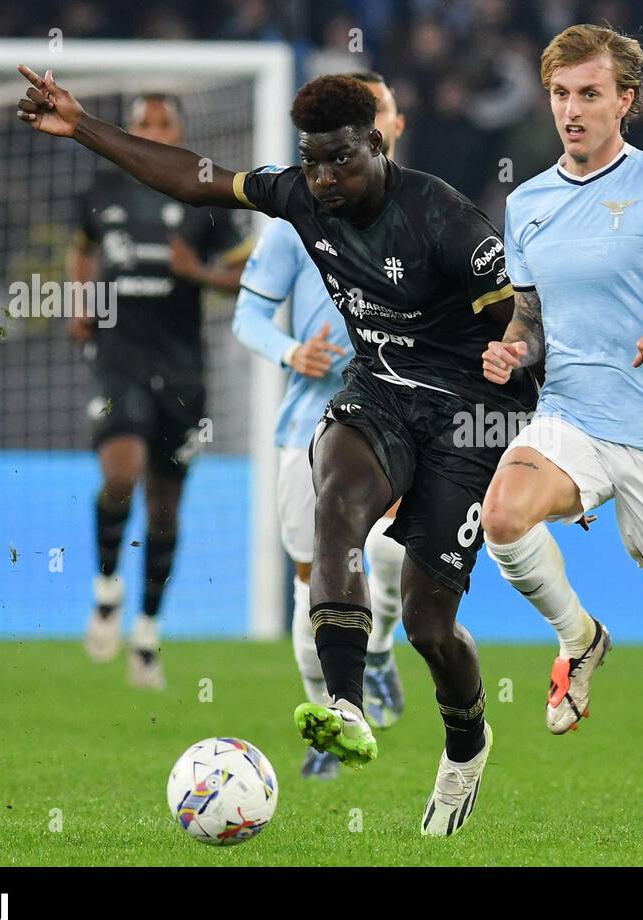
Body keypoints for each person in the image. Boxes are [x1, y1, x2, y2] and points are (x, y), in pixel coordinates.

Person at [16, 67, 535, 835]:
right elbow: (197, 181)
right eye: (313, 160)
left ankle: (467, 743)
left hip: (468, 417)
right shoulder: (297, 193)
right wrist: (84, 124)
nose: (324, 178)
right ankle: (345, 706)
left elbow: (522, 313)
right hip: (380, 394)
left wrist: (518, 354)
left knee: (430, 626)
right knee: (335, 506)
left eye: (341, 161)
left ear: (379, 143)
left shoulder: (443, 216)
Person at [478, 24, 643, 846]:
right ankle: (580, 637)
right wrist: (512, 347)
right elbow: (531, 315)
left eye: (590, 94)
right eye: (561, 94)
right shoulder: (527, 204)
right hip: (571, 412)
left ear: (626, 101)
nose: (572, 110)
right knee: (503, 517)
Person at [231, 71, 408, 780]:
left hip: (394, 420)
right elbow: (248, 315)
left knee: (392, 554)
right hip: (307, 425)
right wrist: (289, 351)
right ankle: (328, 718)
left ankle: (382, 647)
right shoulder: (300, 219)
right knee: (313, 589)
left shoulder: (423, 212)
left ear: (388, 127)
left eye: (386, 111)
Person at [71, 92, 251, 689]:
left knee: (166, 508)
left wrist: (197, 273)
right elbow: (82, 248)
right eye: (143, 123)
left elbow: (244, 278)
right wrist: (81, 302)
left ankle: (146, 633)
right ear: (131, 129)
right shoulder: (103, 189)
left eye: (163, 123)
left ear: (180, 131)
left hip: (182, 372)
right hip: (118, 360)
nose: (152, 129)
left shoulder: (203, 196)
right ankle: (105, 590)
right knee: (120, 474)